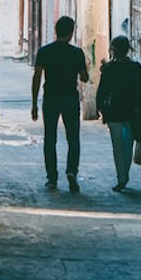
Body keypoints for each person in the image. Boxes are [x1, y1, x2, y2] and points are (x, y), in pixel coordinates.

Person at [32, 15, 89, 192]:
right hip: (70, 99)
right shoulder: (76, 53)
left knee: (50, 139)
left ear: (56, 31)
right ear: (71, 33)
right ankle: (72, 171)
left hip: (51, 98)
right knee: (73, 138)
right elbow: (84, 78)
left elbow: (37, 78)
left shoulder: (44, 51)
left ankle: (52, 178)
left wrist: (34, 103)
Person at [94, 35, 141, 192]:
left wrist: (100, 107)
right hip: (132, 111)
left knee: (117, 146)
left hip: (114, 111)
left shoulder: (109, 69)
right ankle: (125, 173)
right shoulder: (135, 68)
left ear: (113, 50)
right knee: (128, 145)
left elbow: (102, 90)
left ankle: (122, 176)